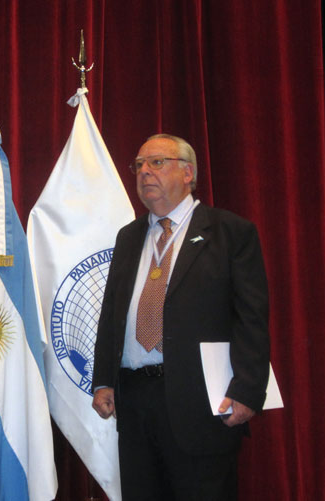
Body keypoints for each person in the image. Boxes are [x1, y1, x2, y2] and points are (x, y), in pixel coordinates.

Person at [91, 134, 270, 500]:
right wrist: (102, 380)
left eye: (156, 162)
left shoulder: (230, 232)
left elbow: (252, 318)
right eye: (139, 165)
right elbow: (111, 314)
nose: (144, 172)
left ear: (188, 172)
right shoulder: (129, 237)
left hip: (202, 404)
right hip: (135, 400)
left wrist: (248, 390)